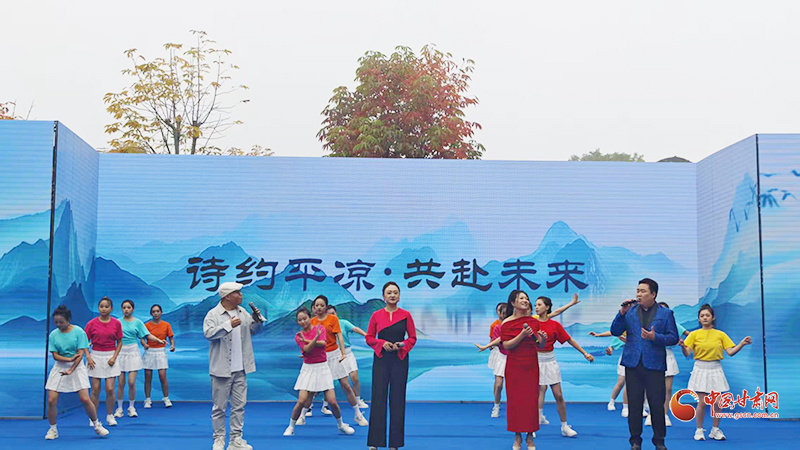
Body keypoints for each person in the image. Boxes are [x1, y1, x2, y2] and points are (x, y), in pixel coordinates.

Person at [611, 278, 678, 450]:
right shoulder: (629, 311)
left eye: (643, 291)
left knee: (656, 405)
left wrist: (655, 337)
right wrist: (621, 313)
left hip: (655, 365)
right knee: (634, 405)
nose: (638, 294)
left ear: (653, 294)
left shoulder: (666, 313)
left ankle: (659, 441)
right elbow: (615, 330)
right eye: (637, 291)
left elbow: (673, 338)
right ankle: (635, 441)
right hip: (633, 364)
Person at [203, 282, 265, 450]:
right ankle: (219, 439)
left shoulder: (242, 312)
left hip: (240, 368)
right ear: (228, 296)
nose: (241, 295)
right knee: (219, 407)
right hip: (221, 369)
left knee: (239, 406)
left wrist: (257, 321)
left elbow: (253, 330)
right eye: (238, 292)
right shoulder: (213, 314)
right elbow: (208, 333)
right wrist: (228, 325)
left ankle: (236, 439)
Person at [679, 304, 751, 441]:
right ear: (699, 319)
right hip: (700, 368)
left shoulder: (720, 334)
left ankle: (715, 430)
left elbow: (730, 352)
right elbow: (687, 353)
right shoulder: (694, 334)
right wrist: (683, 346)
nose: (705, 318)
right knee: (702, 403)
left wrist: (741, 343)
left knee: (717, 403)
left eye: (707, 315)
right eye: (702, 316)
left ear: (713, 317)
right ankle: (699, 430)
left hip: (716, 369)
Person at [283, 307, 356, 437]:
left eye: (305, 318)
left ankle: (341, 425)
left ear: (309, 318)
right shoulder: (298, 336)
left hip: (323, 367)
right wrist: (312, 340)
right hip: (308, 369)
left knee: (332, 401)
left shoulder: (320, 328)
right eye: (299, 320)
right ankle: (291, 426)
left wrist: (313, 338)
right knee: (301, 401)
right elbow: (306, 349)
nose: (303, 322)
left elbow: (323, 344)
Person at [45, 305, 110, 440]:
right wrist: (67, 360)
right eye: (56, 322)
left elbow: (80, 354)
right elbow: (55, 355)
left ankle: (97, 425)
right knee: (51, 400)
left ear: (68, 319)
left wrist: (71, 369)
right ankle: (53, 429)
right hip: (60, 367)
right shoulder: (53, 335)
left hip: (77, 367)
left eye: (61, 322)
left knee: (85, 399)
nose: (58, 325)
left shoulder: (79, 332)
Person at [366, 281, 417, 450]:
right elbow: (369, 337)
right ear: (383, 296)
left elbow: (412, 338)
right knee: (378, 397)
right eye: (389, 292)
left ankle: (395, 443)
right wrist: (381, 343)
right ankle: (375, 442)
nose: (392, 295)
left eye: (395, 292)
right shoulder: (376, 315)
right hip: (381, 359)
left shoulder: (406, 315)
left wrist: (402, 345)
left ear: (399, 296)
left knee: (397, 399)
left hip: (400, 360)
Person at [534, 296, 594, 437]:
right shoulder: (532, 323)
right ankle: (533, 426)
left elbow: (569, 340)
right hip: (535, 361)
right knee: (539, 392)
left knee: (558, 395)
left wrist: (585, 353)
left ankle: (564, 426)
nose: (536, 307)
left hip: (550, 361)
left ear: (547, 307)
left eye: (539, 305)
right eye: (535, 305)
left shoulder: (554, 325)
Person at [311, 295, 369, 426]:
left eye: (322, 305)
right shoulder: (312, 322)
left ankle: (358, 414)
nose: (319, 307)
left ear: (326, 307)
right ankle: (303, 413)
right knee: (314, 387)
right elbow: (310, 341)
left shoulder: (335, 320)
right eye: (317, 305)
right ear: (314, 307)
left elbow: (340, 337)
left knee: (346, 384)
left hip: (336, 355)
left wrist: (343, 353)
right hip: (321, 357)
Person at [501, 290, 548, 450]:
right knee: (515, 402)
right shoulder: (506, 323)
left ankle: (529, 436)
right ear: (513, 303)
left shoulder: (533, 322)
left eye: (527, 298)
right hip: (514, 366)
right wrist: (521, 335)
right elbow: (506, 345)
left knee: (530, 401)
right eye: (521, 298)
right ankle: (517, 436)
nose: (525, 301)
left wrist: (543, 340)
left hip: (531, 365)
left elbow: (539, 344)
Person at [115, 299, 165, 419]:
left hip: (133, 352)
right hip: (120, 352)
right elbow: (109, 335)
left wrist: (158, 340)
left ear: (132, 309)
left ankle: (131, 407)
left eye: (128, 307)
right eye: (124, 308)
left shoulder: (137, 322)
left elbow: (147, 335)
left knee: (131, 382)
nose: (126, 310)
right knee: (120, 383)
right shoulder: (117, 322)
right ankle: (119, 408)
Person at [645, 302, 690, 427]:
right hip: (653, 354)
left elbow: (690, 335)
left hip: (668, 355)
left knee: (667, 388)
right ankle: (651, 414)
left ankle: (664, 415)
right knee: (652, 388)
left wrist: (684, 343)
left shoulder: (673, 324)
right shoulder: (649, 323)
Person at [84, 297, 123, 426]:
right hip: (95, 357)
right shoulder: (91, 323)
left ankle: (110, 416)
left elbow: (120, 342)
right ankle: (93, 418)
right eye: (101, 306)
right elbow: (84, 342)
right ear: (98, 308)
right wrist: (88, 357)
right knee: (95, 389)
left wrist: (114, 357)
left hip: (110, 357)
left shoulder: (116, 323)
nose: (104, 309)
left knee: (110, 389)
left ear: (111, 308)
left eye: (106, 306)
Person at [474, 302, 510, 418]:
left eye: (505, 313)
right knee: (499, 384)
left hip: (511, 355)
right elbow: (495, 340)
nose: (502, 315)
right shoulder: (495, 326)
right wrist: (489, 346)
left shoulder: (512, 325)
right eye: (501, 312)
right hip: (498, 354)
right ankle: (496, 406)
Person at [142, 304, 175, 408]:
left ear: (161, 312)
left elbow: (171, 337)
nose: (156, 313)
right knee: (148, 376)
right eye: (153, 312)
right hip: (149, 352)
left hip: (161, 351)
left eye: (157, 311)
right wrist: (144, 344)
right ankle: (147, 399)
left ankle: (166, 398)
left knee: (162, 376)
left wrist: (172, 345)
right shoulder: (146, 325)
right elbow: (142, 337)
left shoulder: (166, 325)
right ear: (151, 313)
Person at [589, 330, 629, 415]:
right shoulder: (625, 329)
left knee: (635, 383)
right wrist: (598, 335)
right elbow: (613, 333)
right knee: (621, 382)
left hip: (641, 359)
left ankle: (641, 406)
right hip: (626, 358)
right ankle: (612, 402)